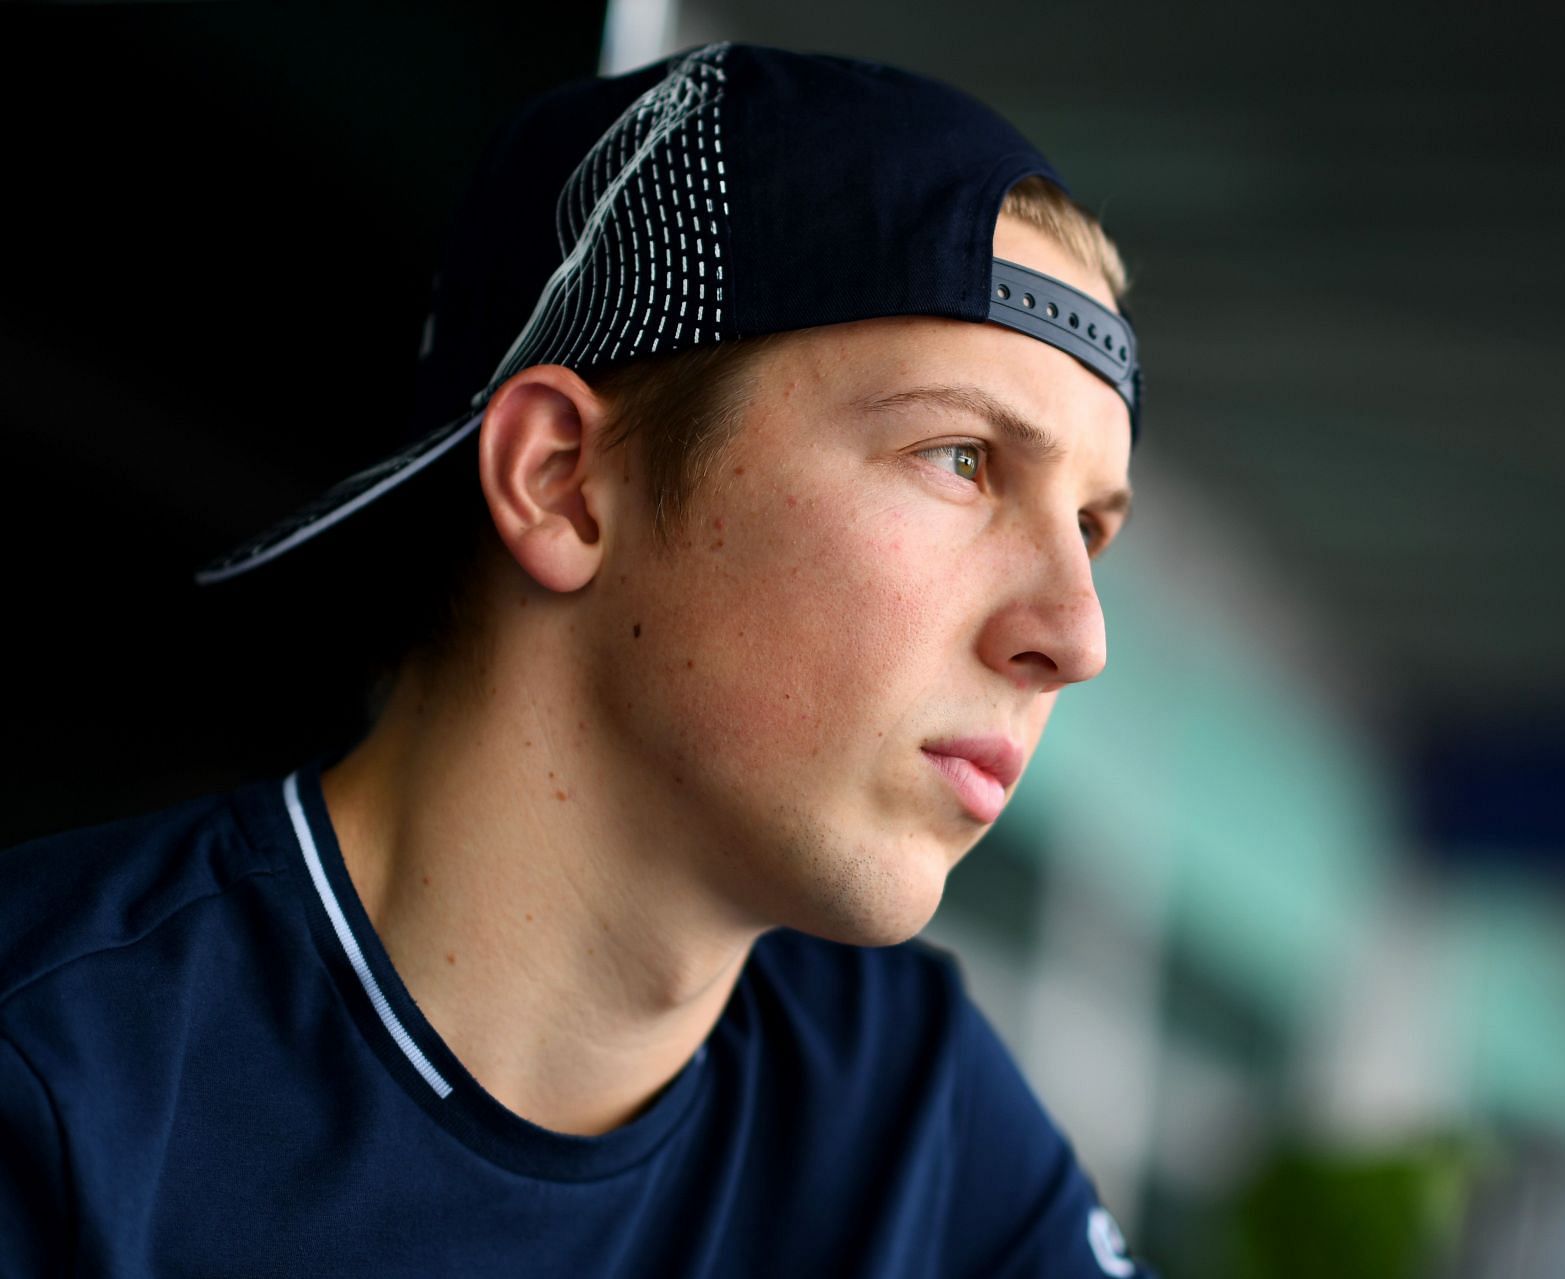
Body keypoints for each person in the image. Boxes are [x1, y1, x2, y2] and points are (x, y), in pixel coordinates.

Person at [0, 41, 1150, 1277]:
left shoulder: (912, 1115)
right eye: (963, 458)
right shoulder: (58, 1079)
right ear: (561, 483)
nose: (1076, 636)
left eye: (1089, 524)